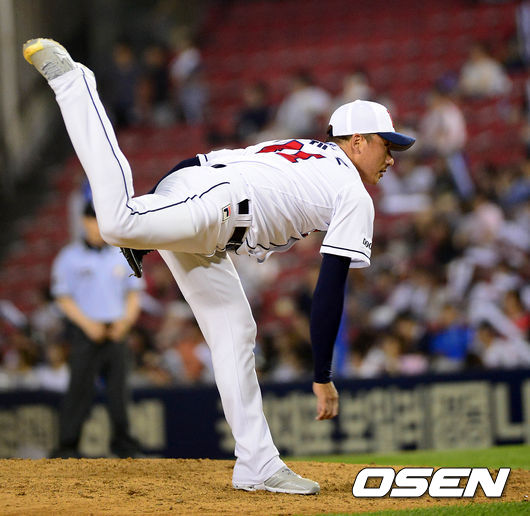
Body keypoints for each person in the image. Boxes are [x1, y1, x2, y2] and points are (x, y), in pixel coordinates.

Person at [23, 38, 415, 494]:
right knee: (116, 223)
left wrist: (163, 224)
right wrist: (322, 375)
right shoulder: (352, 192)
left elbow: (205, 163)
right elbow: (329, 289)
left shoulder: (309, 150)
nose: (392, 158)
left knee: (235, 331)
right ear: (358, 141)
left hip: (207, 205)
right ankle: (76, 84)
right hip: (220, 205)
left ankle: (257, 464)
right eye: (387, 145)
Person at [50, 200, 143, 458]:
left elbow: (134, 295)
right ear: (84, 222)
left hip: (117, 330)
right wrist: (87, 324)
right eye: (93, 220)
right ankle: (67, 446)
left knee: (119, 391)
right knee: (79, 389)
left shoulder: (123, 254)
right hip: (85, 332)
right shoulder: (69, 257)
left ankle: (124, 445)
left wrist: (125, 323)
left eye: (101, 219)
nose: (97, 226)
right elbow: (63, 297)